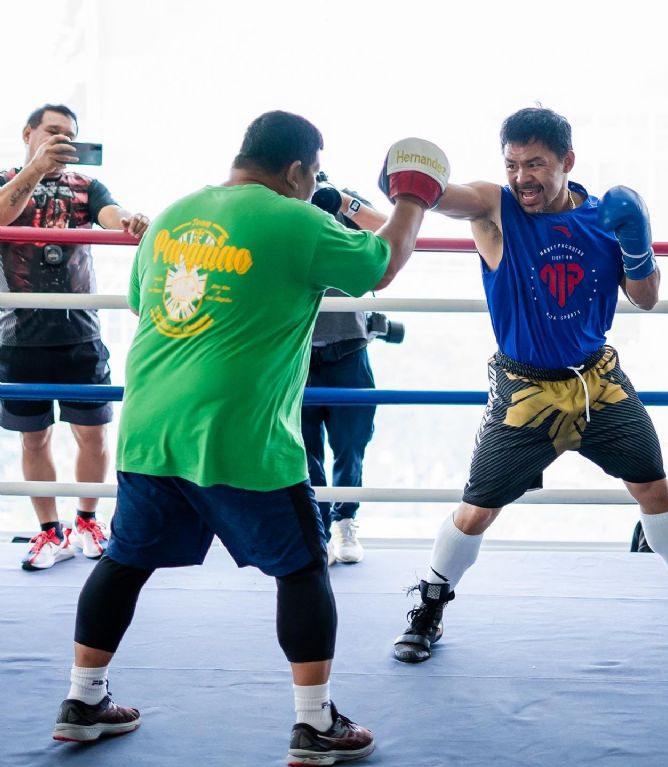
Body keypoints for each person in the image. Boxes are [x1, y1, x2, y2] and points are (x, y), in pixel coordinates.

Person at [51, 113, 449, 766]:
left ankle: (82, 699)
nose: (314, 183)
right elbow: (383, 263)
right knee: (301, 565)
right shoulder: (297, 220)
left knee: (125, 559)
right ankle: (315, 722)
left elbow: (142, 303)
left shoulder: (176, 215)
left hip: (151, 427)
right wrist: (413, 195)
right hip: (240, 436)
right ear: (297, 171)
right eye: (313, 173)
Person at [391, 107, 668, 666]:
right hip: (525, 393)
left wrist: (637, 245)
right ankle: (429, 608)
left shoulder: (605, 218)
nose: (522, 177)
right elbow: (446, 196)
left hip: (597, 383)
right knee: (477, 509)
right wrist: (412, 184)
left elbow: (646, 297)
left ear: (567, 162)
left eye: (535, 164)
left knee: (654, 488)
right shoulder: (496, 207)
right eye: (512, 164)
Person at [0, 103, 149, 571]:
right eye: (53, 132)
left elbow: (111, 213)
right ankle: (49, 533)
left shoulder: (85, 186)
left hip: (79, 332)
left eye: (69, 135)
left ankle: (87, 521)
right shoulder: (5, 178)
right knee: (34, 440)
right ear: (29, 132)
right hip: (18, 335)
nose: (62, 141)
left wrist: (131, 221)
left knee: (94, 435)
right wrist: (37, 168)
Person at [304, 184, 388, 564]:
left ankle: (345, 521)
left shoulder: (343, 203)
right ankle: (316, 529)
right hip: (296, 354)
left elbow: (388, 230)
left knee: (351, 445)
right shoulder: (280, 212)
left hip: (349, 349)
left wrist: (340, 201)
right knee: (302, 450)